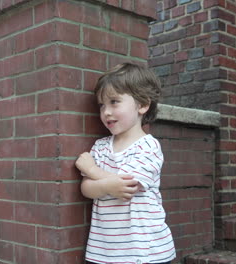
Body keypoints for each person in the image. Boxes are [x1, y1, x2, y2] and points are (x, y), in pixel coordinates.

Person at [75, 63, 176, 264]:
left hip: (146, 252)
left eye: (114, 102)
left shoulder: (148, 147)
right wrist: (105, 184)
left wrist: (92, 170)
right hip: (103, 251)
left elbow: (127, 186)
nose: (106, 112)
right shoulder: (101, 146)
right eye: (102, 105)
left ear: (142, 105)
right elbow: (86, 188)